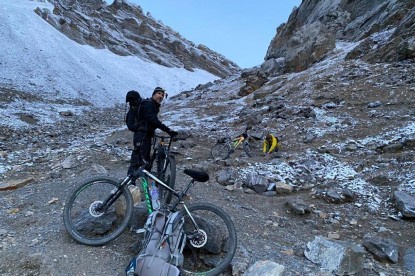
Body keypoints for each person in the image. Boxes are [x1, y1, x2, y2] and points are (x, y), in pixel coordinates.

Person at [128, 87, 178, 177]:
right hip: (142, 136)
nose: (161, 96)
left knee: (145, 162)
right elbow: (153, 120)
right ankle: (129, 185)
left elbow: (150, 122)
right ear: (153, 94)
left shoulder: (152, 105)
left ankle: (142, 185)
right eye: (159, 93)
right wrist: (168, 130)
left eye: (162, 95)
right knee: (138, 161)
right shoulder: (148, 104)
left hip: (145, 136)